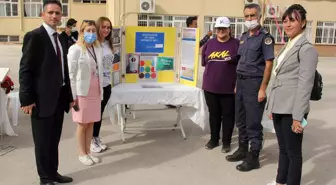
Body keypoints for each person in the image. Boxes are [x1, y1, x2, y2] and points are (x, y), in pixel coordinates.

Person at [19, 1, 74, 184]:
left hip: (58, 99)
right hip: (41, 100)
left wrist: (69, 96)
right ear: (42, 15)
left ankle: (53, 172)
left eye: (58, 13)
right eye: (50, 12)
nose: (54, 16)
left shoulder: (60, 38)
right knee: (42, 143)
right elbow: (25, 69)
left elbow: (64, 70)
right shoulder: (35, 36)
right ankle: (45, 178)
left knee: (54, 140)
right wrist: (26, 99)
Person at [266, 4, 318, 185]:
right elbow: (277, 78)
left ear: (303, 23)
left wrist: (298, 117)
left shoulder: (306, 49)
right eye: (285, 21)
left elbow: (305, 85)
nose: (287, 24)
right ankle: (281, 181)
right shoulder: (288, 45)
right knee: (283, 149)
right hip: (280, 106)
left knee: (294, 152)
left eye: (293, 20)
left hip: (293, 109)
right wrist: (271, 106)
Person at [225, 3, 275, 172]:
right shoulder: (244, 36)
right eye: (246, 16)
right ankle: (242, 149)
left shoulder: (265, 37)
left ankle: (254, 157)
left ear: (259, 16)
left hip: (254, 84)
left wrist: (263, 88)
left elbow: (268, 64)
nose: (249, 19)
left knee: (253, 122)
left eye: (252, 16)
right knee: (240, 120)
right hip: (241, 83)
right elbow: (240, 60)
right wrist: (237, 84)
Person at [68, 20, 104, 166]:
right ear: (81, 32)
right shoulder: (75, 49)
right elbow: (71, 74)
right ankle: (82, 153)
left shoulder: (96, 48)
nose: (91, 33)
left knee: (91, 123)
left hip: (95, 91)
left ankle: (88, 151)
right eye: (88, 30)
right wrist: (72, 96)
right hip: (81, 93)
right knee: (82, 124)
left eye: (93, 30)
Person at [201, 17, 239, 153]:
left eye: (224, 28)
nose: (221, 31)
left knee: (228, 116)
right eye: (218, 28)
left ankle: (226, 142)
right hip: (210, 87)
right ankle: (214, 139)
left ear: (229, 29)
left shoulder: (237, 44)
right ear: (215, 30)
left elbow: (241, 66)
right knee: (214, 114)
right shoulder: (209, 44)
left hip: (229, 88)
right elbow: (204, 63)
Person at [90, 16, 114, 153]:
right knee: (93, 114)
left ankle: (96, 137)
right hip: (95, 85)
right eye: (104, 27)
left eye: (108, 27)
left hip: (106, 84)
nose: (106, 30)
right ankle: (91, 140)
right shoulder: (93, 44)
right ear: (98, 27)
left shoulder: (108, 44)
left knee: (100, 113)